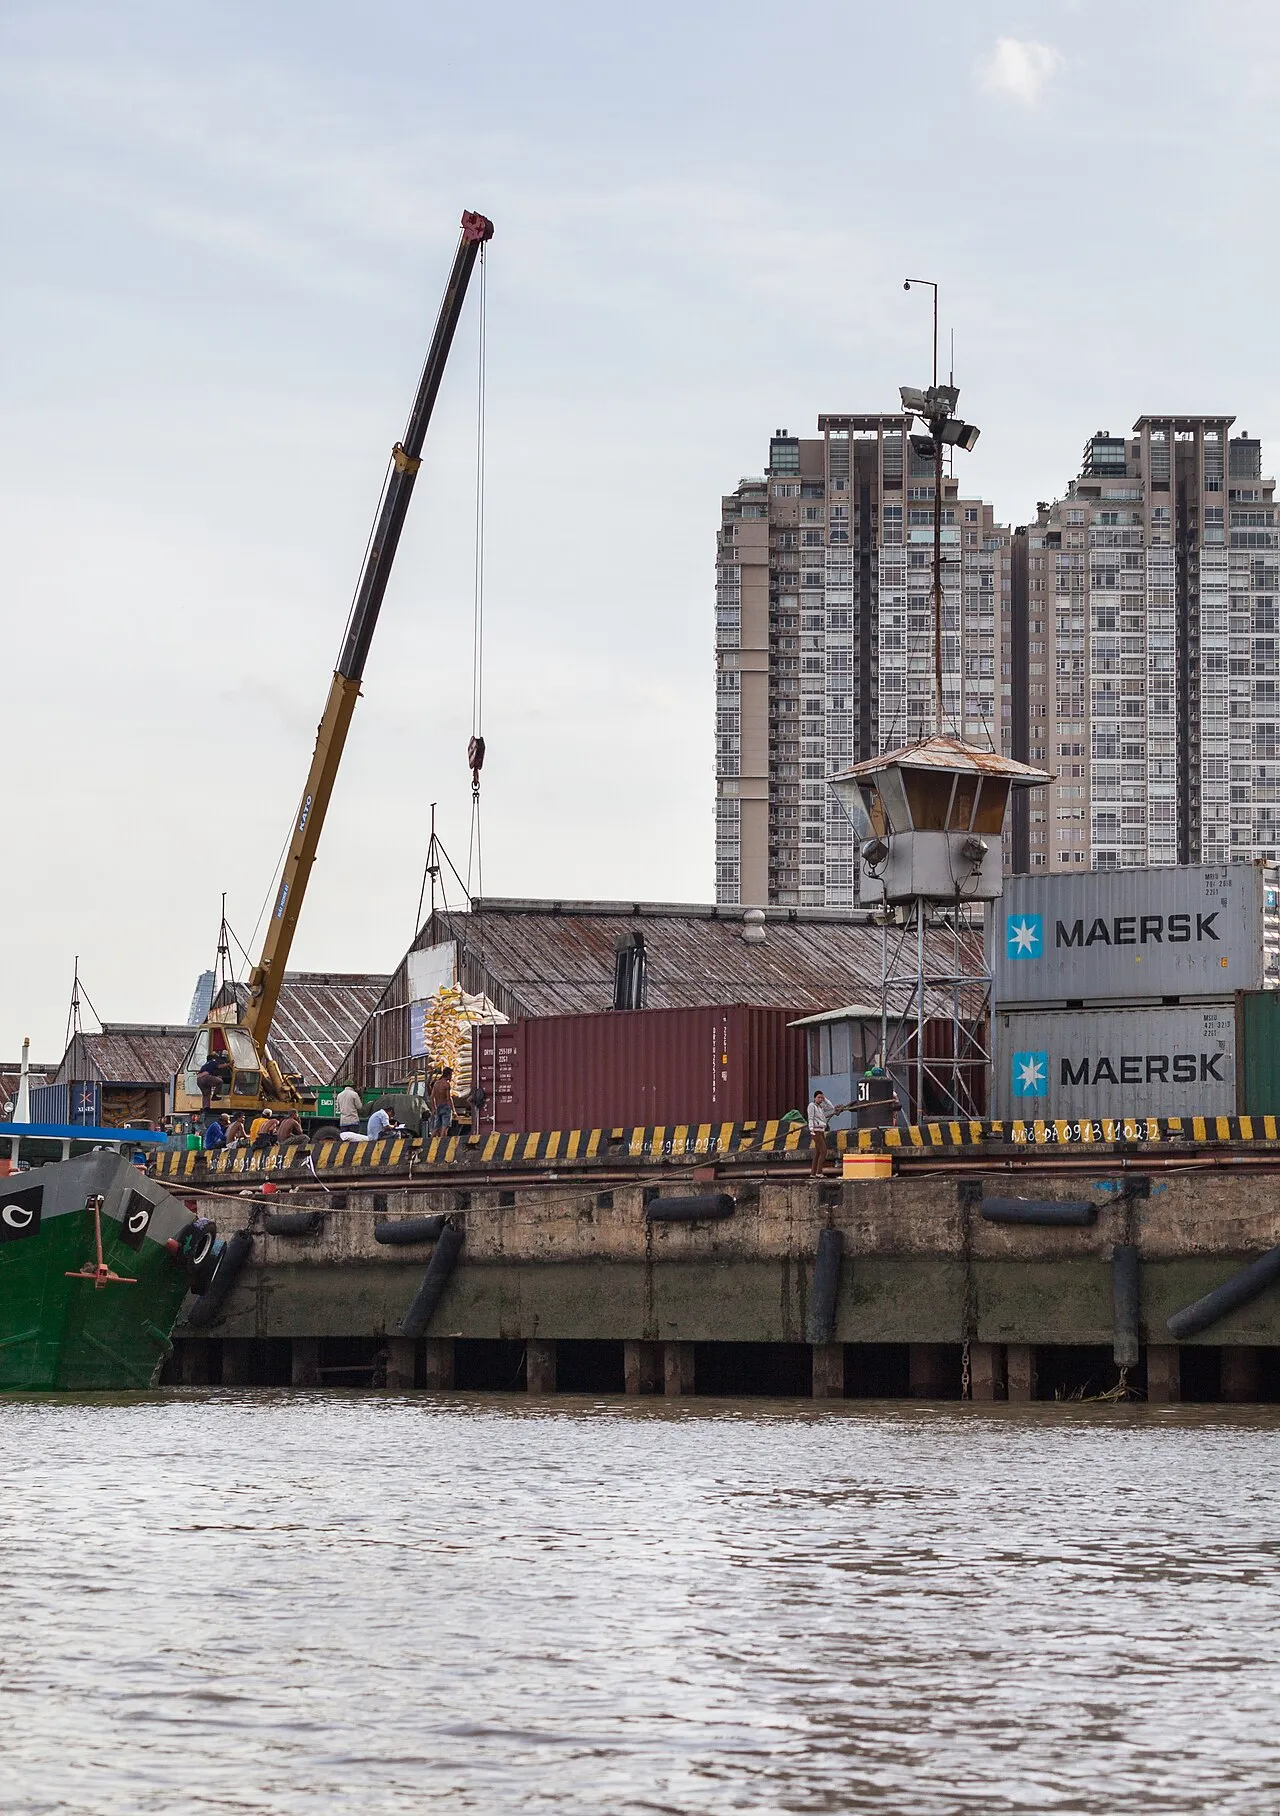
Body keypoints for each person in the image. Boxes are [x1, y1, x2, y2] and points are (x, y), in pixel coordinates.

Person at [807, 1089, 850, 1178]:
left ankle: (813, 1173)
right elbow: (810, 1118)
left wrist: (825, 1099)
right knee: (824, 1151)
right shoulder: (812, 1106)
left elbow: (831, 1107)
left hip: (821, 1130)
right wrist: (811, 1129)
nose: (820, 1099)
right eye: (818, 1097)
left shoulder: (821, 1107)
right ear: (814, 1098)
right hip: (816, 1131)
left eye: (821, 1098)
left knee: (818, 1152)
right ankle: (819, 1172)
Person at [428, 1068, 454, 1138]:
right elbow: (448, 1099)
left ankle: (429, 1143)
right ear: (448, 1075)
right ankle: (443, 1144)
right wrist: (452, 1110)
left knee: (436, 1128)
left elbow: (431, 1097)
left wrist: (433, 1108)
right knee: (445, 1127)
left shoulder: (436, 1084)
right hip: (445, 1107)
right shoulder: (446, 1084)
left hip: (438, 1107)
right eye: (451, 1075)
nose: (451, 1077)